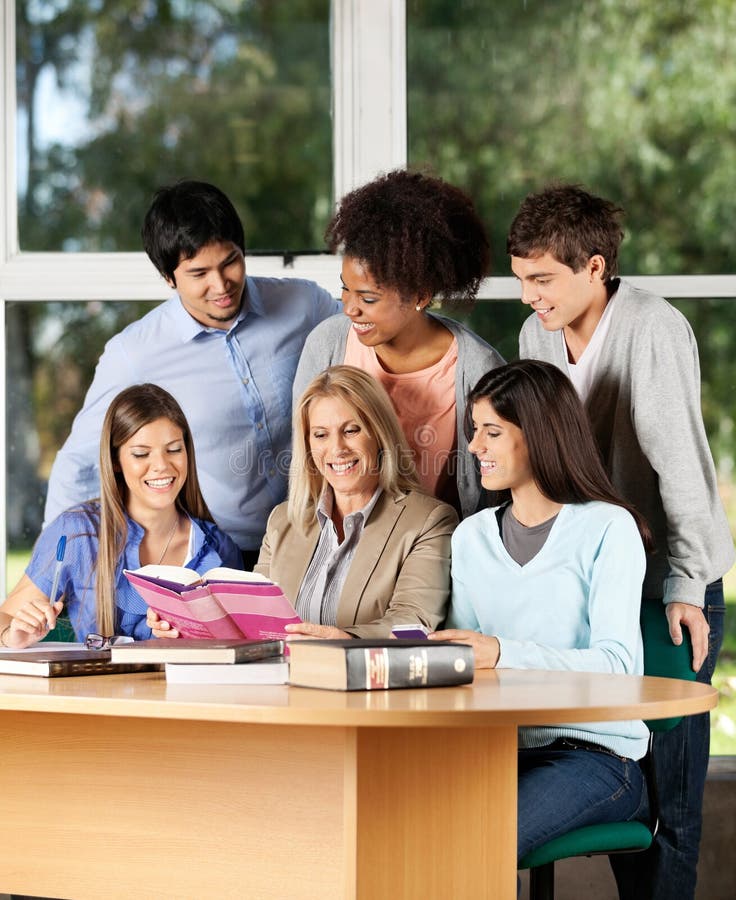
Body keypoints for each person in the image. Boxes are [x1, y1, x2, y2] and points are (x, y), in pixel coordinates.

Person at [508, 183, 735, 899]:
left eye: (543, 280)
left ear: (596, 267)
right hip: (594, 582)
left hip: (668, 585)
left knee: (670, 808)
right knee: (612, 772)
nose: (529, 297)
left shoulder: (652, 329)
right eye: (521, 280)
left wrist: (686, 584)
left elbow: (682, 468)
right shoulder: (537, 336)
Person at [43, 180, 340, 566]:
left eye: (230, 262)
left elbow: (371, 339)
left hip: (314, 535)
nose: (221, 285)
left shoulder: (304, 305)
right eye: (199, 273)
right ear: (169, 277)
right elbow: (78, 465)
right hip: (216, 552)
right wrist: (52, 573)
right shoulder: (134, 354)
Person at [431, 360, 651, 863]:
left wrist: (501, 653)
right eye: (474, 431)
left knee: (478, 844)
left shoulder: (608, 528)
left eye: (491, 432)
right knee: (407, 828)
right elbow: (467, 667)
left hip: (595, 756)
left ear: (539, 436)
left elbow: (618, 666)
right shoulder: (471, 537)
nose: (474, 447)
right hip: (496, 749)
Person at [150, 366, 458, 640]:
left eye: (351, 430)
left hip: (366, 682)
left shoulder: (428, 520)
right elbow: (251, 620)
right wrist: (187, 627)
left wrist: (342, 639)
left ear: (379, 433)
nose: (336, 448)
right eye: (320, 435)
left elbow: (414, 621)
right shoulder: (282, 521)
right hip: (284, 682)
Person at [293, 169, 504, 519]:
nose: (350, 308)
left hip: (438, 541)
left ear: (420, 296)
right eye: (345, 288)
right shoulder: (327, 344)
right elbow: (305, 460)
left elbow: (494, 489)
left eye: (368, 298)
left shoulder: (478, 368)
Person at [0, 384, 241, 647]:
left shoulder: (219, 550)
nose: (161, 466)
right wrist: (11, 634)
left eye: (174, 449)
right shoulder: (79, 533)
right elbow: (5, 618)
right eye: (141, 454)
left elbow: (243, 646)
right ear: (115, 461)